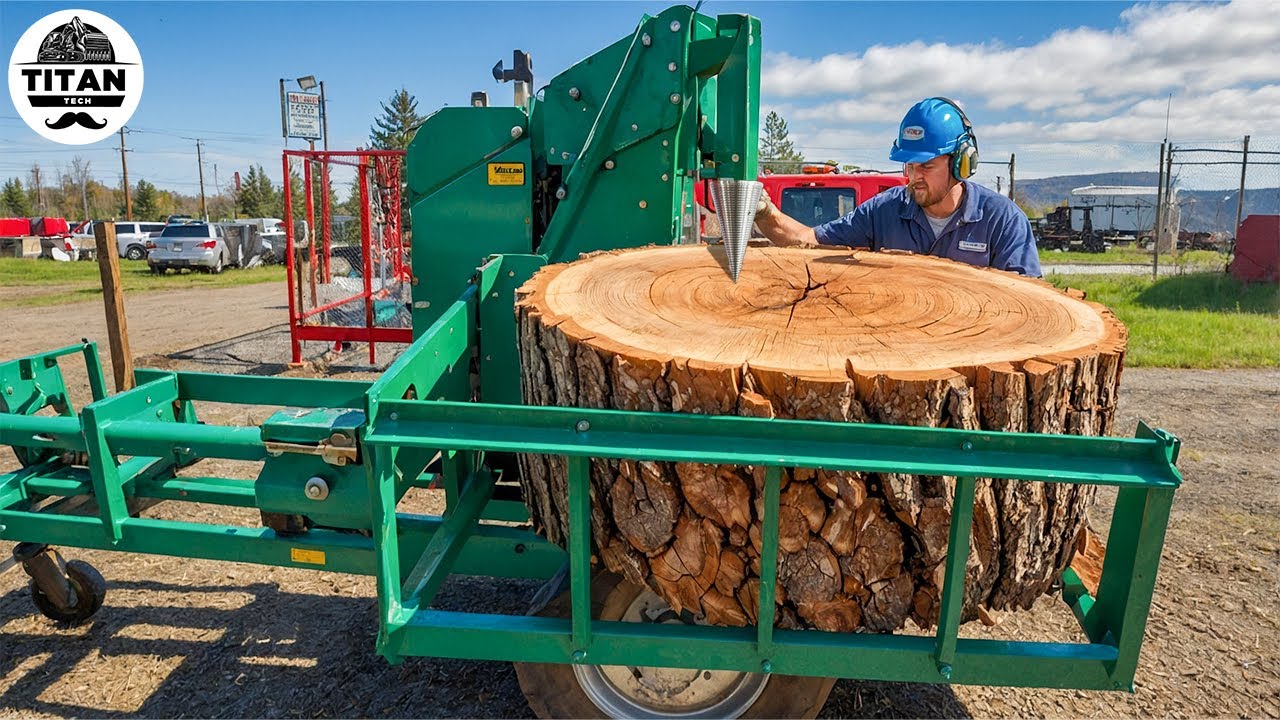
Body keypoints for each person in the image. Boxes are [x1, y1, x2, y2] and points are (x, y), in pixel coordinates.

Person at [754, 97, 1042, 277]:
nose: (914, 177)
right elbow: (811, 241)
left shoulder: (1002, 220)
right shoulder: (884, 211)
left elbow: (1028, 301)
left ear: (961, 163)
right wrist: (766, 214)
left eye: (926, 166)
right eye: (910, 166)